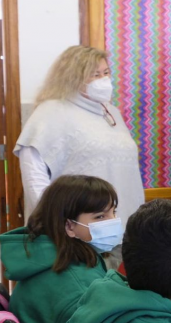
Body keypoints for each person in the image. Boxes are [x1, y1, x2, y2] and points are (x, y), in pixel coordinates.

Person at [14, 45, 144, 227]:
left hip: (123, 226)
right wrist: (54, 221)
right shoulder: (50, 112)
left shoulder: (111, 112)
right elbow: (34, 176)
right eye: (95, 75)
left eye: (106, 72)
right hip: (75, 231)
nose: (104, 80)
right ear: (73, 78)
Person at [0, 175, 118, 323]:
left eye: (113, 212)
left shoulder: (52, 259)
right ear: (69, 225)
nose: (113, 221)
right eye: (100, 216)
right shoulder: (73, 285)